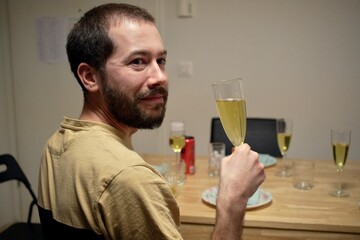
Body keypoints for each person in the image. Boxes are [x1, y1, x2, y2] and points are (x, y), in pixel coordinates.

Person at [37, 3, 265, 240]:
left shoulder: (55, 145)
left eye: (161, 60)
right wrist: (232, 201)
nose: (160, 77)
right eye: (138, 61)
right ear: (90, 77)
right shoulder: (129, 178)